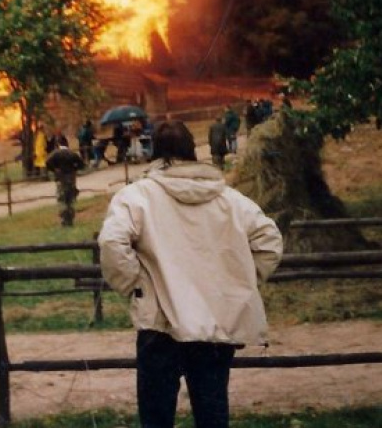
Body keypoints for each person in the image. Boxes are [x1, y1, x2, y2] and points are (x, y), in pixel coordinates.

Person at [98, 121, 283, 428]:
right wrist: (238, 283)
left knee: (156, 418)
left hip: (161, 324)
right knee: (212, 416)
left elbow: (112, 242)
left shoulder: (136, 196)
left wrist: (136, 285)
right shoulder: (230, 199)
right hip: (214, 322)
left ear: (155, 153)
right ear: (192, 151)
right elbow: (269, 241)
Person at [45, 145, 85, 227]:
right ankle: (70, 219)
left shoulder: (55, 153)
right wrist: (75, 168)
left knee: (62, 199)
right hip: (71, 178)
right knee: (70, 199)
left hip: (60, 178)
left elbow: (47, 162)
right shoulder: (72, 153)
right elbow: (82, 164)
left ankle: (64, 220)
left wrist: (54, 169)